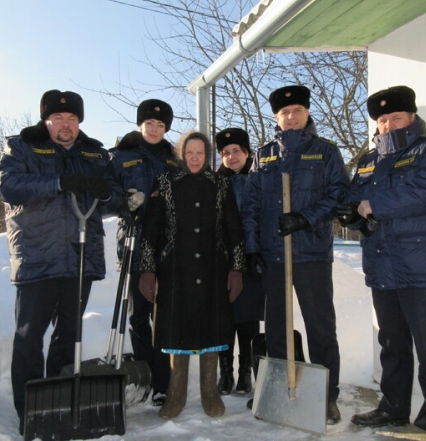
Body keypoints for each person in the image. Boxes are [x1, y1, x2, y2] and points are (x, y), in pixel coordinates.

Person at [337, 85, 426, 441]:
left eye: (396, 117)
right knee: (392, 344)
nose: (388, 124)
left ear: (412, 117)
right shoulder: (368, 161)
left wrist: (372, 204)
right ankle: (393, 407)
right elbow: (355, 203)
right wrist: (351, 215)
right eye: (383, 119)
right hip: (384, 266)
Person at [0, 89, 121, 434]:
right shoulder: (22, 146)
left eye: (72, 119)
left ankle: (57, 403)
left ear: (79, 122)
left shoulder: (95, 153)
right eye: (59, 118)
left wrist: (108, 194)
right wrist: (57, 181)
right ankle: (30, 412)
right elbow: (9, 186)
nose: (66, 125)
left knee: (69, 334)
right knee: (29, 336)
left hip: (80, 256)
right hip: (39, 257)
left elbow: (113, 198)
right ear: (46, 120)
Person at [242, 85, 350, 424]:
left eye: (297, 111)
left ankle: (327, 397)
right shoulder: (264, 155)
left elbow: (339, 196)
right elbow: (251, 205)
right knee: (275, 327)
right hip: (275, 256)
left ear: (306, 114)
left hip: (312, 255)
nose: (291, 117)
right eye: (284, 113)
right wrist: (252, 247)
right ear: (277, 117)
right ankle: (278, 389)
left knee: (320, 327)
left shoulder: (326, 152)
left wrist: (305, 217)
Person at [138, 130, 245, 419]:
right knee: (177, 328)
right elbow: (150, 231)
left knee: (211, 328)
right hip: (174, 270)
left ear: (207, 155)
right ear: (181, 155)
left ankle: (210, 391)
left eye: (200, 153)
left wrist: (236, 268)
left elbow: (234, 229)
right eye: (189, 153)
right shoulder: (165, 183)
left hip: (213, 269)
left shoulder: (221, 184)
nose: (195, 159)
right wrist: (147, 270)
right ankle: (177, 393)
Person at [110, 99, 177, 406]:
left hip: (166, 248)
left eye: (161, 125)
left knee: (162, 316)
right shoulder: (121, 155)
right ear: (140, 124)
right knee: (138, 315)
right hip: (135, 245)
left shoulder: (173, 159)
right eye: (150, 123)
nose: (154, 129)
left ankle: (163, 381)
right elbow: (103, 197)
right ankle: (145, 372)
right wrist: (123, 202)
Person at [215, 128, 265, 396]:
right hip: (221, 262)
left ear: (247, 153)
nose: (231, 157)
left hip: (251, 257)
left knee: (247, 318)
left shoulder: (259, 179)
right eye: (225, 152)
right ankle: (225, 372)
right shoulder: (213, 182)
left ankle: (246, 371)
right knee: (224, 318)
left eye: (236, 151)